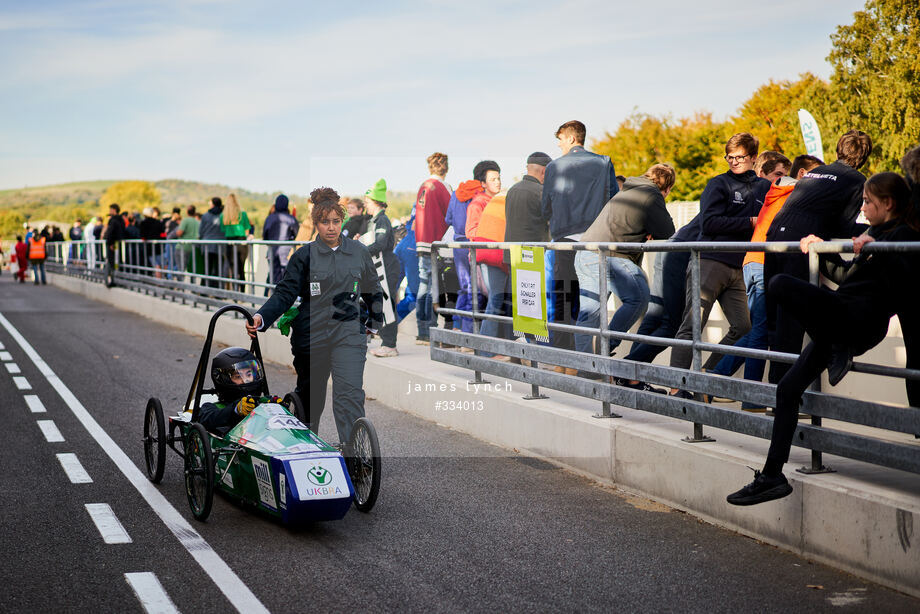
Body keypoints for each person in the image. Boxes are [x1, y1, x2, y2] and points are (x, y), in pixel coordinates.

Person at [727, 172, 920, 505]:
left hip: (857, 322)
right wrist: (819, 251)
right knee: (787, 389)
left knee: (780, 285)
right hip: (837, 321)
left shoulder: (903, 237)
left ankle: (839, 347)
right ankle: (772, 475)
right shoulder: (875, 234)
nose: (862, 208)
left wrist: (882, 251)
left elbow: (906, 283)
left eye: (867, 202)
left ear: (888, 204)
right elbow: (847, 277)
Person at [246, 187, 384, 445]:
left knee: (349, 395)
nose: (331, 228)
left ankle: (354, 456)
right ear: (316, 224)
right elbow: (285, 293)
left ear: (341, 221)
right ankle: (307, 452)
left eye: (335, 221)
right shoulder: (303, 256)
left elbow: (373, 289)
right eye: (324, 222)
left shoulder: (358, 252)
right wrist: (262, 317)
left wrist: (374, 323)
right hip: (312, 334)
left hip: (348, 333)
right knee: (312, 397)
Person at [765, 130, 873, 384]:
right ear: (864, 157)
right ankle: (783, 387)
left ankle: (775, 389)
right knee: (791, 320)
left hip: (775, 238)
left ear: (838, 150)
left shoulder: (814, 172)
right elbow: (843, 228)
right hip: (802, 241)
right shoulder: (857, 179)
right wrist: (871, 232)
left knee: (775, 318)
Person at [709, 154, 822, 395]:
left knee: (760, 331)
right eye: (816, 177)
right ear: (802, 175)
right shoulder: (793, 192)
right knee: (761, 332)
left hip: (754, 261)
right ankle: (746, 395)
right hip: (762, 262)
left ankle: (716, 380)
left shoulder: (777, 191)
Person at [668, 133, 770, 397]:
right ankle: (677, 387)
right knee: (692, 325)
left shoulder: (763, 187)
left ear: (754, 157)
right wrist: (748, 222)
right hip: (710, 261)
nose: (734, 161)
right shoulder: (719, 184)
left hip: (739, 267)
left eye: (740, 157)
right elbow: (709, 223)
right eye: (730, 157)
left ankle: (706, 376)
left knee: (744, 328)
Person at [574, 164, 676, 374]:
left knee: (589, 312)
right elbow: (668, 231)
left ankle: (586, 368)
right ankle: (605, 348)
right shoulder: (652, 193)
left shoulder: (628, 189)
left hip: (585, 252)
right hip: (610, 255)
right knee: (638, 297)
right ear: (666, 187)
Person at [541, 120, 619, 355]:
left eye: (561, 141)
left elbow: (545, 206)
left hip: (564, 241)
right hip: (595, 241)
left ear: (572, 138)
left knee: (563, 298)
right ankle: (588, 353)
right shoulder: (604, 162)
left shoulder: (554, 167)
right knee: (591, 300)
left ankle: (562, 357)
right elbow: (614, 200)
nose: (560, 146)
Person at [465, 160, 508, 355]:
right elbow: (471, 231)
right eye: (493, 179)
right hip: (488, 257)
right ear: (482, 183)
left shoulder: (498, 200)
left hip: (501, 256)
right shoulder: (478, 203)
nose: (497, 182)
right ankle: (485, 351)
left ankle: (500, 348)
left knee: (502, 301)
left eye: (498, 178)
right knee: (495, 300)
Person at [413, 152, 452, 344]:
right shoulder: (442, 186)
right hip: (435, 243)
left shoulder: (423, 186)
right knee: (432, 289)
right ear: (446, 167)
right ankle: (430, 330)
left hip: (421, 241)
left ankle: (421, 331)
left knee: (422, 286)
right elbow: (451, 215)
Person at [362, 180, 401, 358]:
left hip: (388, 268)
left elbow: (380, 244)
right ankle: (386, 341)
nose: (365, 205)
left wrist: (359, 248)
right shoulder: (374, 221)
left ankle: (390, 345)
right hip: (380, 269)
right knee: (381, 304)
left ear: (376, 202)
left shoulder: (382, 220)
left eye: (368, 202)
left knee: (387, 305)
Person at [197, 347, 267, 435]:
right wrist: (236, 409)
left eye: (249, 374)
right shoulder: (212, 408)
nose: (245, 380)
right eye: (238, 377)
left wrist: (276, 405)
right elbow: (206, 419)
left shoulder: (259, 403)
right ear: (224, 380)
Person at [262, 194, 300, 288]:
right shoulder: (291, 219)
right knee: (287, 278)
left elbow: (265, 236)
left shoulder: (269, 218)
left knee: (273, 278)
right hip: (286, 252)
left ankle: (273, 299)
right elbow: (297, 235)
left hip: (272, 251)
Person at [220, 193, 253, 284]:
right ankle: (242, 291)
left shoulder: (223, 216)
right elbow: (247, 229)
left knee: (232, 268)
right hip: (241, 241)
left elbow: (223, 229)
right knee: (241, 268)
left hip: (229, 242)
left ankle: (235, 291)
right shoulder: (243, 214)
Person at [199, 197, 225, 288]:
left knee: (207, 268)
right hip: (221, 245)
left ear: (213, 204)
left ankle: (204, 290)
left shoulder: (205, 215)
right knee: (218, 269)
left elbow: (201, 231)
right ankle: (217, 290)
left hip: (207, 245)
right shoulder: (224, 215)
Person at [103, 203, 125, 286]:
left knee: (112, 263)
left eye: (110, 209)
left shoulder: (113, 220)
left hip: (113, 245)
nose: (109, 211)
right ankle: (115, 279)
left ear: (114, 210)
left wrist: (110, 243)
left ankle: (111, 280)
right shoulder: (121, 220)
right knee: (117, 263)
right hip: (118, 244)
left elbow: (111, 232)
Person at [176, 205, 200, 280]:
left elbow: (179, 232)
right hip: (193, 247)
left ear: (187, 212)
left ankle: (180, 286)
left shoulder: (185, 220)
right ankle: (193, 285)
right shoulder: (197, 222)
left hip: (183, 247)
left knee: (181, 268)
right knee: (193, 268)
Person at [139, 207, 165, 277]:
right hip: (160, 247)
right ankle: (165, 280)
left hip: (149, 248)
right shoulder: (157, 222)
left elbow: (143, 237)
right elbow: (163, 234)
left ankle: (159, 282)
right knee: (162, 264)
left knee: (156, 265)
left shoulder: (143, 223)